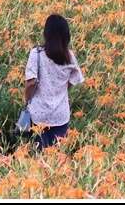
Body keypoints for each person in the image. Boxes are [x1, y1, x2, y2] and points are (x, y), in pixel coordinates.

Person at [24, 14, 85, 150]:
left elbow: (31, 82)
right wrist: (60, 89)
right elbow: (74, 79)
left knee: (39, 157)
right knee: (57, 156)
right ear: (66, 35)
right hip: (60, 114)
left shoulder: (36, 54)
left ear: (46, 33)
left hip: (38, 113)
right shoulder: (69, 56)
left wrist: (26, 99)